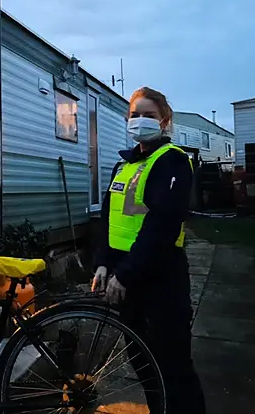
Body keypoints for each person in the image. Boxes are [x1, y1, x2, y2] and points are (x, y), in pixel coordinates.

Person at [91, 86, 206, 414]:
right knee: (144, 365)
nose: (140, 121)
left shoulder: (172, 162)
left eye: (149, 116)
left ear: (165, 122)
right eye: (134, 115)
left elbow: (162, 225)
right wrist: (103, 263)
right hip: (129, 280)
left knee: (174, 369)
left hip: (161, 279)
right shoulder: (124, 166)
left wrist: (125, 273)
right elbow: (110, 220)